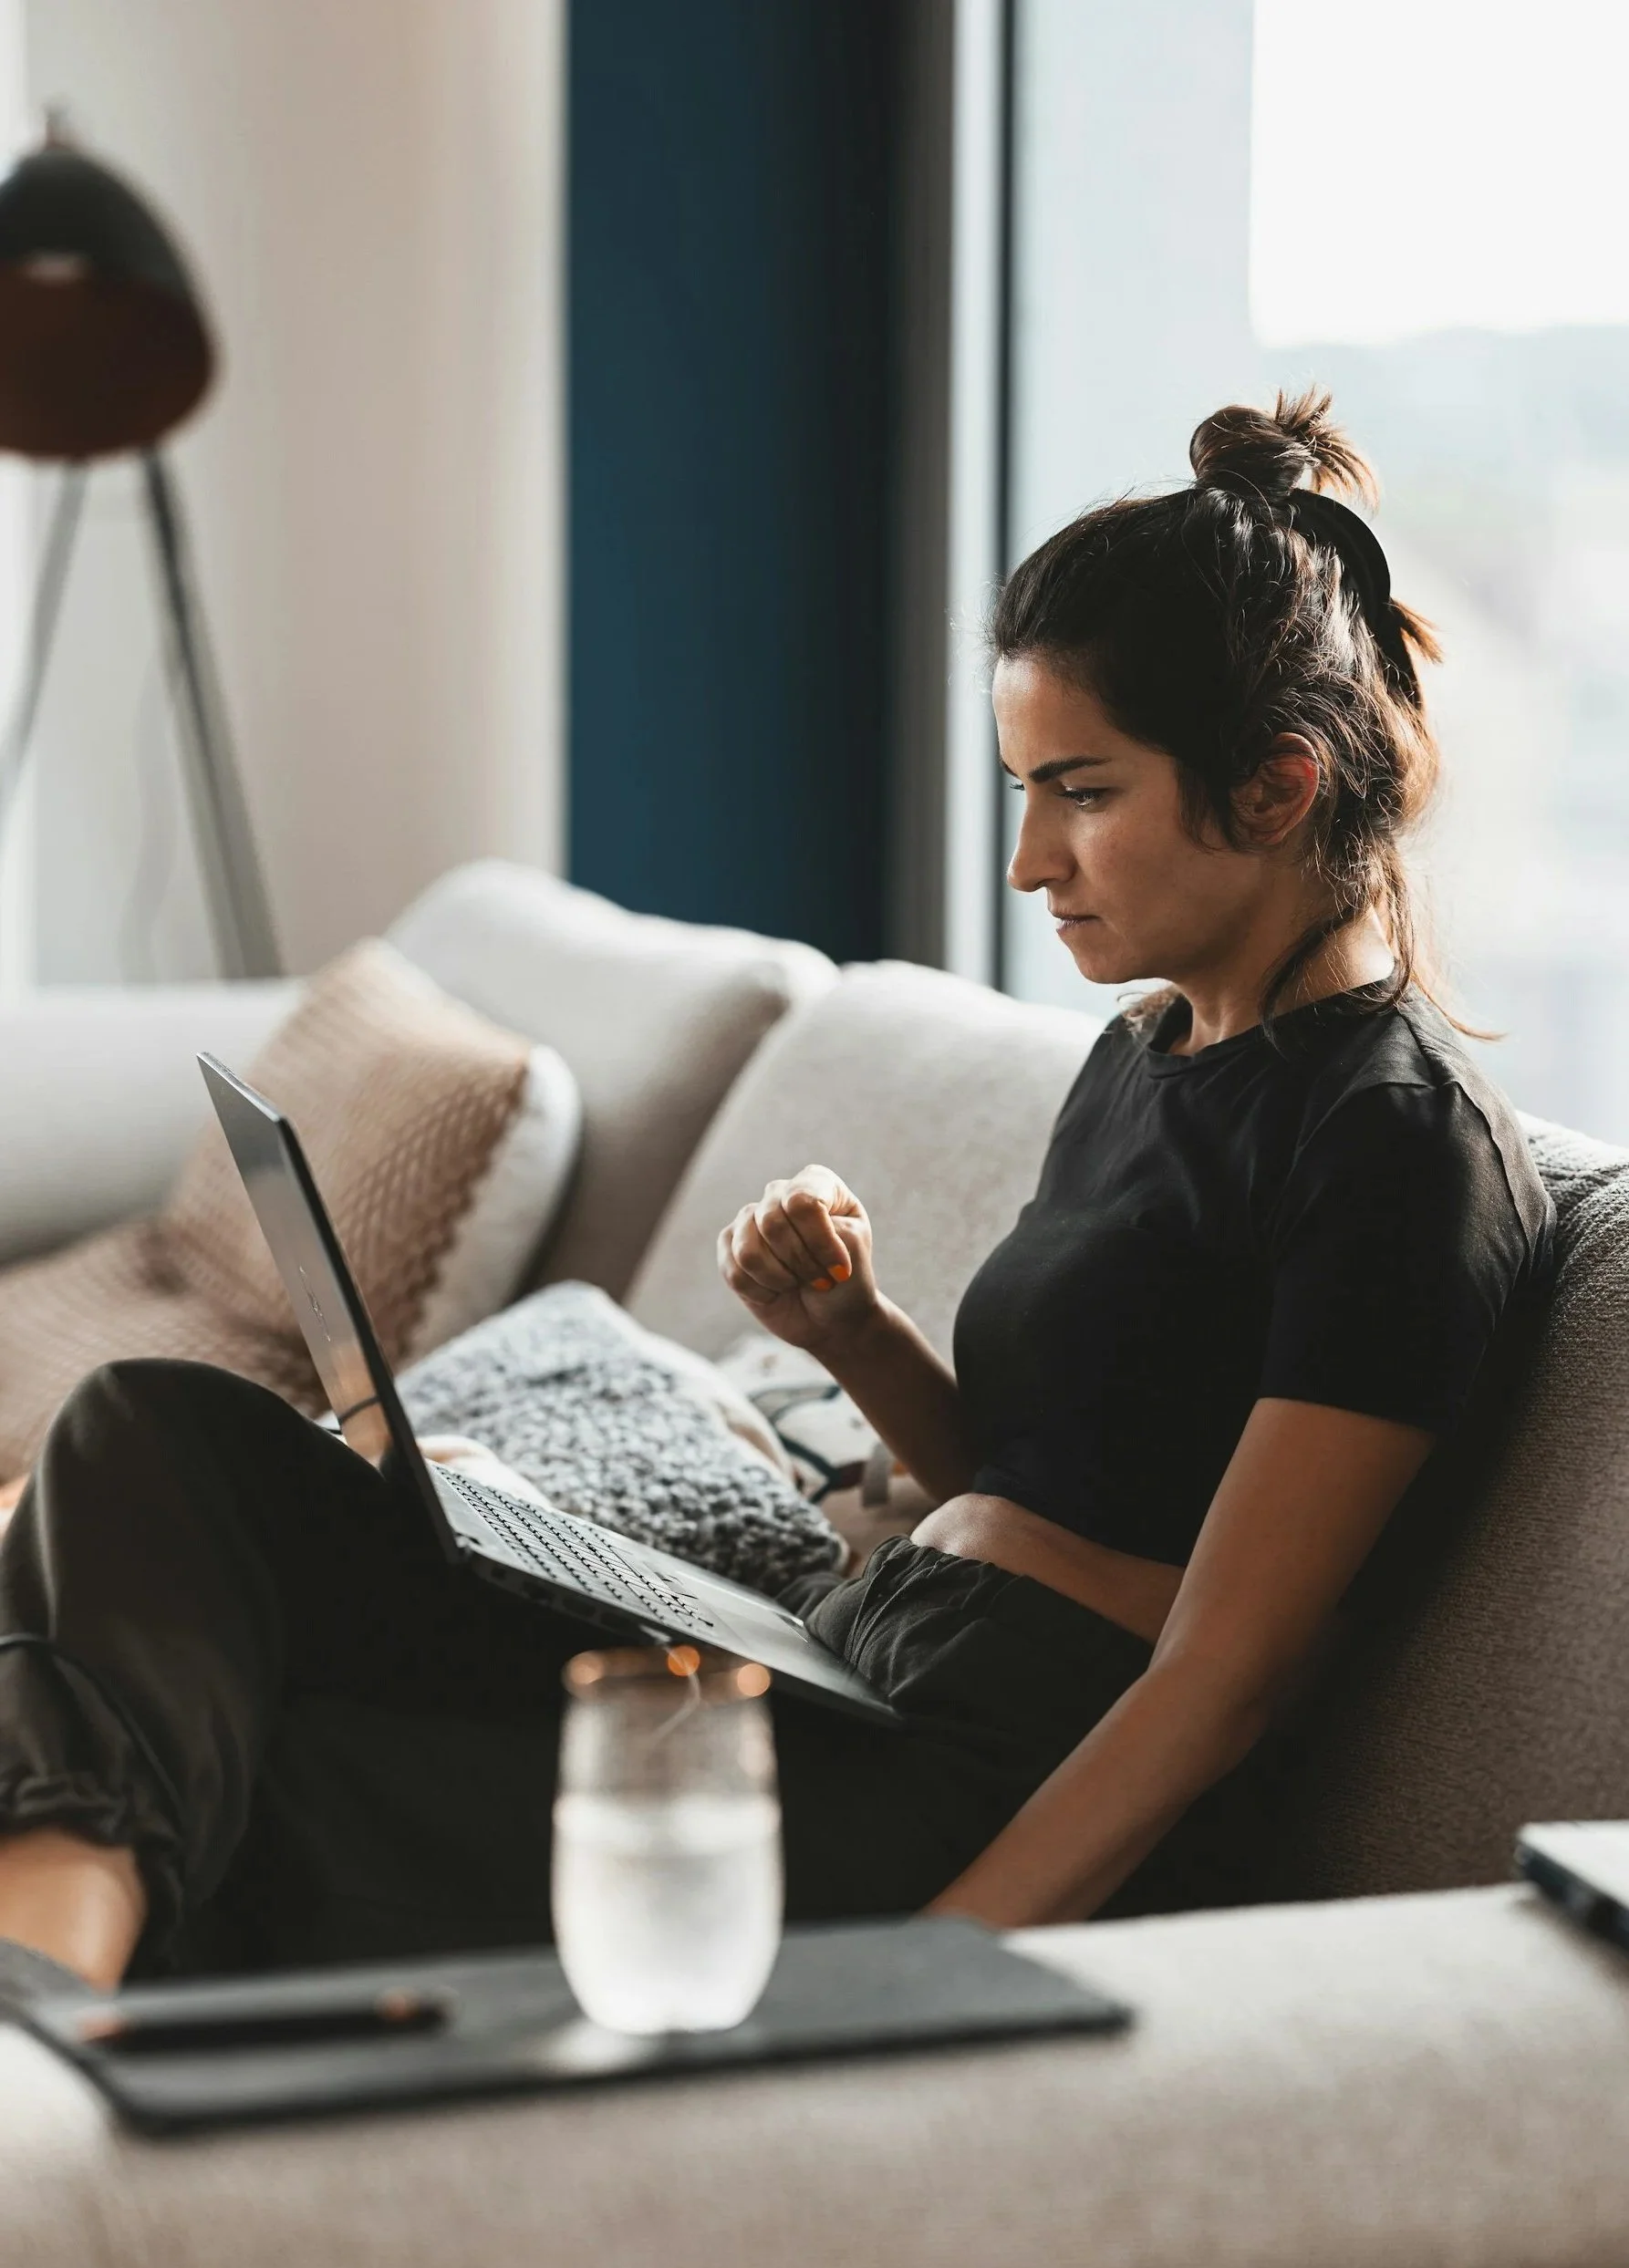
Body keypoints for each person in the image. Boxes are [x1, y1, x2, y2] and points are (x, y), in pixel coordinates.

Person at [0, 391, 1552, 2002]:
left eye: (1079, 791)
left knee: (256, 1766)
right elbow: (1046, 1483)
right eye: (1022, 789)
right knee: (147, 1434)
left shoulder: (1393, 1148)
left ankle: (47, 2023)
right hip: (839, 1650)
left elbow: (1222, 1680)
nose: (1029, 861)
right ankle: (56, 1994)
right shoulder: (1150, 1050)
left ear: (1280, 788)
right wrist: (854, 1334)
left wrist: (937, 1961)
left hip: (969, 1775)